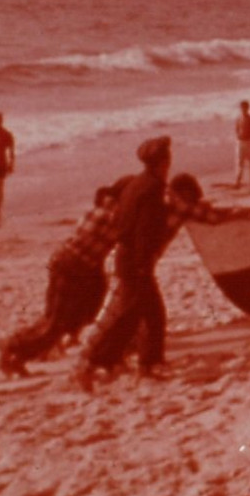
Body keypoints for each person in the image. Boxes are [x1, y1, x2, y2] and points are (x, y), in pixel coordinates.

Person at [77, 139, 232, 389]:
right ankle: (106, 364)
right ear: (162, 163)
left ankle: (120, 363)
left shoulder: (137, 184)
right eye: (167, 161)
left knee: (139, 314)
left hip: (128, 258)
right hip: (137, 261)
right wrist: (142, 265)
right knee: (144, 316)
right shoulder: (152, 190)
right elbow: (145, 231)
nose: (168, 166)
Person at [0, 175, 133, 377]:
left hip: (68, 264)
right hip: (73, 268)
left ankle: (18, 350)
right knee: (56, 324)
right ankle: (13, 348)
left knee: (56, 320)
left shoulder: (100, 210)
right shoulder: (112, 215)